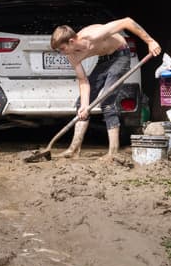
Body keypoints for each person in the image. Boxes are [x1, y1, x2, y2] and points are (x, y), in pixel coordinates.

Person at [50, 18, 162, 161]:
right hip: (104, 60)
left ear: (71, 41)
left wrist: (150, 41)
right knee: (82, 104)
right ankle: (73, 149)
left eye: (62, 49)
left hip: (121, 55)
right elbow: (83, 81)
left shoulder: (94, 35)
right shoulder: (73, 55)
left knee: (107, 102)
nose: (62, 53)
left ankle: (113, 152)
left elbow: (127, 22)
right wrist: (85, 105)